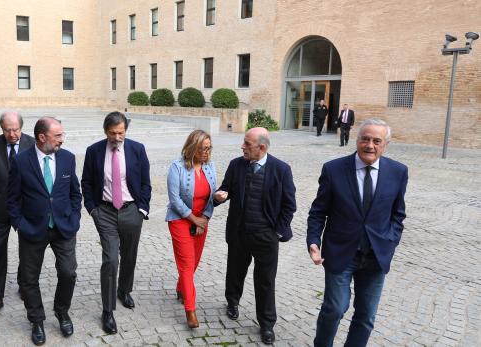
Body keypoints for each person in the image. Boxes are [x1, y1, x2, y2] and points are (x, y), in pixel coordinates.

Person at [307, 118, 408, 347]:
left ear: (386, 144)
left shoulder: (398, 172)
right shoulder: (333, 169)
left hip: (375, 257)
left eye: (376, 141)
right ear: (357, 139)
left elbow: (397, 214)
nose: (369, 145)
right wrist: (314, 241)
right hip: (341, 252)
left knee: (366, 316)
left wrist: (390, 241)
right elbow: (318, 211)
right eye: (365, 139)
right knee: (334, 308)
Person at [213, 127, 296, 344]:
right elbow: (226, 189)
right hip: (239, 233)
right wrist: (220, 196)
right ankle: (232, 302)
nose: (242, 147)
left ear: (261, 147)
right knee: (235, 272)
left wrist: (277, 232)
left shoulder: (281, 169)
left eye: (247, 144)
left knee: (265, 281)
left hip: (265, 237)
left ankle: (267, 324)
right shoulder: (236, 165)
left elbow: (289, 206)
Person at [7, 116, 82, 345]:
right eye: (57, 135)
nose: (62, 140)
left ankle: (62, 311)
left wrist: (75, 217)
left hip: (64, 227)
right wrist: (20, 224)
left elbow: (74, 193)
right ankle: (37, 319)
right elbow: (12, 199)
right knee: (29, 278)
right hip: (32, 229)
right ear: (42, 137)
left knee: (68, 272)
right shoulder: (21, 161)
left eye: (62, 135)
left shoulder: (68, 158)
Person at [80, 111, 152, 334]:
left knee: (129, 255)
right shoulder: (94, 151)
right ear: (106, 131)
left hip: (131, 210)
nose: (117, 137)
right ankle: (108, 310)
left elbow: (146, 182)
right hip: (105, 212)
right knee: (110, 259)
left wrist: (142, 209)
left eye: (121, 133)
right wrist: (92, 209)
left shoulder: (137, 149)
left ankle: (124, 290)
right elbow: (86, 181)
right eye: (113, 133)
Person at [0, 111, 35, 315]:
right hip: (0, 207)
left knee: (28, 249)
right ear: (1, 128)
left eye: (15, 130)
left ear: (21, 127)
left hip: (26, 207)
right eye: (7, 130)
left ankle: (24, 285)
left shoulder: (32, 143)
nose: (12, 134)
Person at [165, 130, 217, 329]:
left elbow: (212, 196)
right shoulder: (177, 167)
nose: (206, 152)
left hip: (201, 220)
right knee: (186, 265)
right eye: (203, 148)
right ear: (192, 147)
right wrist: (193, 219)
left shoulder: (210, 166)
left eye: (209, 148)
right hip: (181, 219)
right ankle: (190, 311)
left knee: (194, 262)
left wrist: (204, 218)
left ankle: (181, 288)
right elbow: (175, 199)